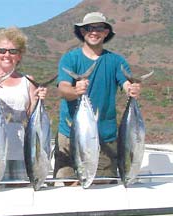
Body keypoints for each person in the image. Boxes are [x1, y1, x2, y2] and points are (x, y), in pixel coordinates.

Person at [53, 12, 142, 185]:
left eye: (99, 28)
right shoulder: (70, 58)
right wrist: (76, 90)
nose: (94, 32)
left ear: (106, 32)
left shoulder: (116, 61)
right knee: (67, 191)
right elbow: (63, 89)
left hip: (104, 138)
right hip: (70, 136)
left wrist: (131, 89)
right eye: (89, 28)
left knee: (102, 191)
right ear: (82, 32)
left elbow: (125, 83)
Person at [0, 27, 47, 183]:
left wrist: (39, 100)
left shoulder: (28, 81)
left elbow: (32, 116)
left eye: (12, 51)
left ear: (19, 56)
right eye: (2, 50)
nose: (7, 55)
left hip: (22, 153)